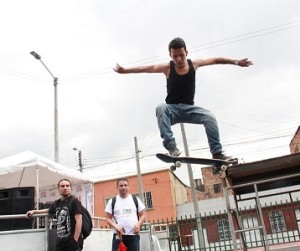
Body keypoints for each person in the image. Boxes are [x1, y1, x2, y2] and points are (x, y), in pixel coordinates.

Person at [114, 37, 253, 159]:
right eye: (175, 56)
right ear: (170, 55)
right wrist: (125, 70)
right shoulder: (166, 68)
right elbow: (144, 69)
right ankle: (171, 147)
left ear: (186, 52)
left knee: (209, 117)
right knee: (161, 107)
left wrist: (237, 62)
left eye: (181, 55)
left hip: (189, 109)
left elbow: (216, 60)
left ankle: (217, 153)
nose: (179, 59)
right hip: (171, 111)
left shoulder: (195, 64)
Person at [26, 179, 84, 251]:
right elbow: (49, 210)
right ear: (58, 189)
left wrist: (75, 240)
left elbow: (79, 221)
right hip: (60, 242)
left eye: (67, 186)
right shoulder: (57, 203)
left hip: (72, 241)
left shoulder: (74, 201)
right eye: (62, 186)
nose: (65, 188)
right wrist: (34, 211)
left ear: (70, 188)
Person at [105, 178, 146, 251]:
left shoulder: (135, 199)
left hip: (133, 236)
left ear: (128, 187)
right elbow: (108, 218)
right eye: (121, 185)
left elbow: (143, 214)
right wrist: (116, 226)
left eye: (125, 185)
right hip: (119, 236)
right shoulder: (112, 201)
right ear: (117, 187)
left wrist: (138, 224)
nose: (123, 187)